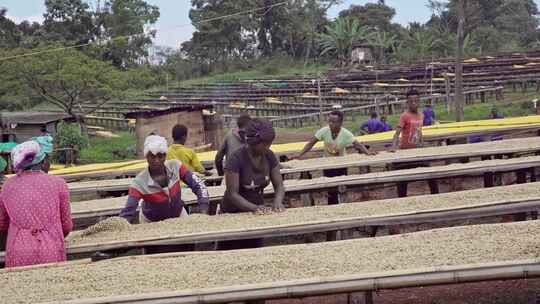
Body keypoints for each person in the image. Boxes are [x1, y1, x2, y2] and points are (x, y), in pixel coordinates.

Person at [0, 137, 73, 268]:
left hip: (18, 250)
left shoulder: (7, 186)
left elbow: (2, 225)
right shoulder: (58, 183)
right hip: (51, 249)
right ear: (43, 161)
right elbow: (66, 226)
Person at [218, 119, 285, 250]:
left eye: (269, 144)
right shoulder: (236, 158)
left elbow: (279, 186)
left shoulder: (269, 156)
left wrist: (278, 202)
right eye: (265, 144)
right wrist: (254, 208)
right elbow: (232, 194)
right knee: (230, 252)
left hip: (256, 213)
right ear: (253, 143)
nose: (268, 147)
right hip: (233, 213)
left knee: (254, 250)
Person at [120, 135, 210, 224]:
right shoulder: (139, 182)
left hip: (178, 215)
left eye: (160, 156)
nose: (157, 160)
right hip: (151, 222)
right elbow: (129, 209)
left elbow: (199, 185)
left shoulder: (176, 166)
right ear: (146, 157)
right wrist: (120, 224)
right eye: (152, 156)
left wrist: (203, 209)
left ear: (165, 156)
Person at [293, 111, 375, 205]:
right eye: (330, 121)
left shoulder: (346, 134)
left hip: (341, 164)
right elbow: (311, 143)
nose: (331, 123)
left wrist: (368, 153)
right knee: (330, 189)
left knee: (342, 187)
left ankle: (344, 205)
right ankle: (332, 205)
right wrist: (300, 155)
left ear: (340, 123)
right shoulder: (323, 131)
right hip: (328, 164)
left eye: (333, 121)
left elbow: (358, 144)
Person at [390, 89, 439, 198]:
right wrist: (393, 146)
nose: (413, 104)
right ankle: (402, 199)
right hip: (406, 152)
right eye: (411, 101)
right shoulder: (404, 116)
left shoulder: (421, 115)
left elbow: (419, 131)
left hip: (417, 151)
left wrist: (422, 143)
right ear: (407, 102)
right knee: (402, 180)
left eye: (416, 101)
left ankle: (436, 196)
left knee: (431, 174)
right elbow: (397, 133)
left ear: (419, 101)